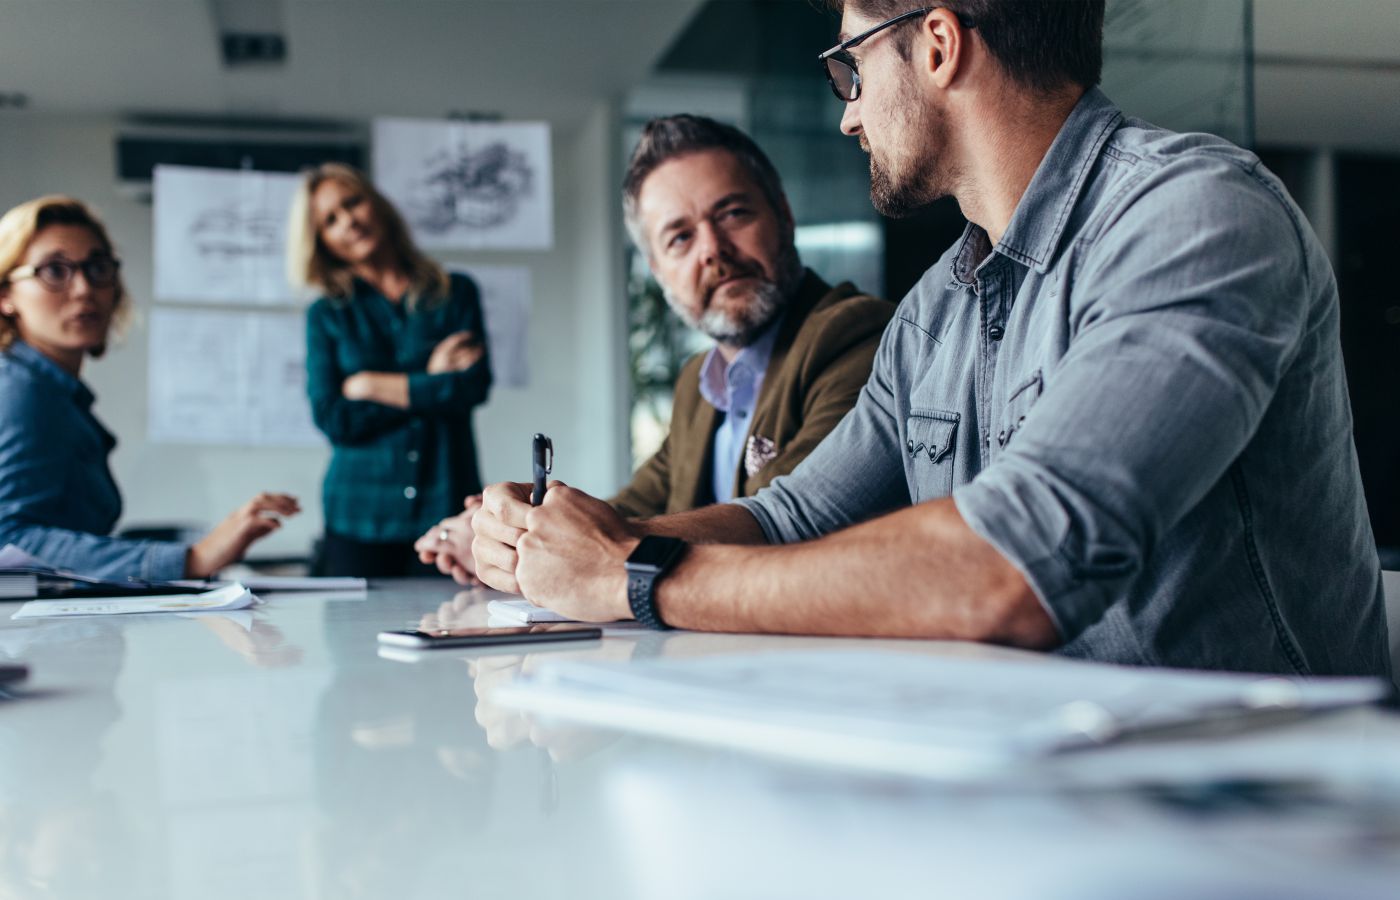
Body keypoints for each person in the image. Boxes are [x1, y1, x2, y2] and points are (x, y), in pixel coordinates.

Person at [469, 0, 1392, 677]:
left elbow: (1015, 567)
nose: (849, 112)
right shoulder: (934, 311)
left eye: (853, 67)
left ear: (939, 45)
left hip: (1265, 823)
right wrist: (565, 546)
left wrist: (638, 578)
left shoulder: (1196, 216)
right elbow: (791, 517)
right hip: (1045, 782)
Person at [415, 116, 894, 584]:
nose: (712, 249)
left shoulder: (853, 336)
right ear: (657, 268)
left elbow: (792, 520)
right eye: (680, 237)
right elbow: (635, 506)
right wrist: (514, 528)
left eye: (733, 214)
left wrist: (560, 546)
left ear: (783, 214)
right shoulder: (697, 382)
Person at [0, 195, 299, 581]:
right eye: (55, 271)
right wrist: (191, 559)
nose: (84, 289)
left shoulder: (55, 393)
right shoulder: (21, 390)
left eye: (98, 267)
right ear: (5, 295)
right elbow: (8, 539)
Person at [289, 163, 492, 577]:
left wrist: (368, 385)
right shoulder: (326, 315)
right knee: (349, 642)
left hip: (446, 508)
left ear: (376, 205)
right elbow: (334, 418)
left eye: (353, 203)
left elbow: (471, 387)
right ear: (321, 241)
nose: (348, 221)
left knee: (454, 630)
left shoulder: (455, 293)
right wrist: (431, 379)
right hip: (357, 517)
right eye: (330, 219)